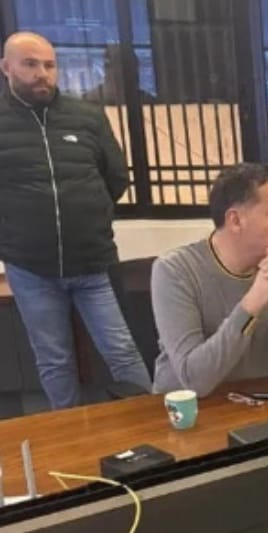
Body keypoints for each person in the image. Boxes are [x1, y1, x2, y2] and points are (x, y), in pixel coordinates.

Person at [0, 31, 151, 409]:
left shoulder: (86, 116)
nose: (42, 73)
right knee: (54, 360)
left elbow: (116, 178)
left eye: (49, 65)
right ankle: (69, 435)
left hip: (93, 262)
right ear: (6, 68)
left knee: (121, 350)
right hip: (30, 268)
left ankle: (148, 424)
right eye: (30, 64)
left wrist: (91, 215)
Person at [151, 163, 268, 397]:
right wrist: (253, 301)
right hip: (189, 411)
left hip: (260, 401)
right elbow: (194, 381)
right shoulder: (175, 270)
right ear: (235, 221)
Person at [82, 44, 156, 106]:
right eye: (128, 66)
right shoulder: (89, 100)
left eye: (134, 66)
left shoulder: (147, 100)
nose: (135, 72)